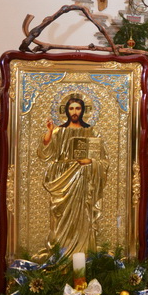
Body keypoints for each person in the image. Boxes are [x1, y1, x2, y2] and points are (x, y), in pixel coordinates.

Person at [38, 95, 108, 257]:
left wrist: (90, 161)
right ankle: (61, 253)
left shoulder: (92, 131)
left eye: (77, 108)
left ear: (83, 110)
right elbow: (45, 153)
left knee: (82, 216)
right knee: (61, 217)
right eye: (71, 108)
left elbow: (103, 160)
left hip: (83, 180)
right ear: (66, 111)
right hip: (63, 180)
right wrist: (49, 131)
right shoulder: (59, 131)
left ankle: (83, 254)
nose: (74, 112)